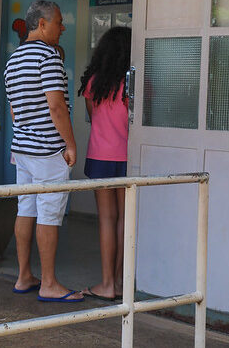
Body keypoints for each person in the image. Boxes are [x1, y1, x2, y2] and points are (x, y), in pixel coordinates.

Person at [4, 0, 82, 303]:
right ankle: (49, 283)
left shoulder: (14, 59)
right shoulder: (48, 56)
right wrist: (71, 144)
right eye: (59, 22)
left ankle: (24, 276)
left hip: (22, 148)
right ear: (42, 24)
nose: (62, 28)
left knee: (26, 208)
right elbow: (56, 105)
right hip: (48, 149)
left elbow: (13, 111)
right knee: (49, 214)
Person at [78, 26, 131, 301]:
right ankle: (120, 283)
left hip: (100, 156)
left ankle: (107, 283)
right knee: (125, 220)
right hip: (127, 157)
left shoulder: (94, 83)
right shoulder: (133, 83)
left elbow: (92, 116)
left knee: (107, 220)